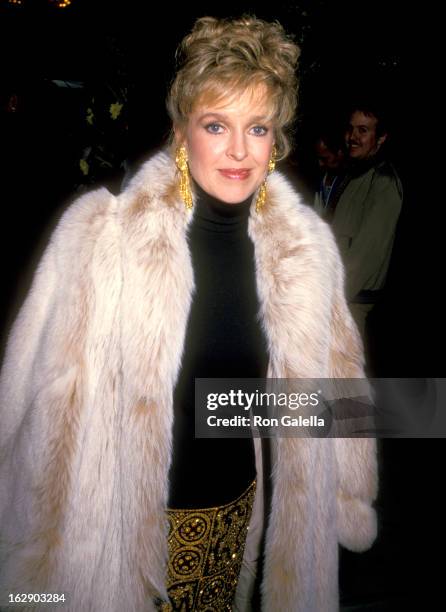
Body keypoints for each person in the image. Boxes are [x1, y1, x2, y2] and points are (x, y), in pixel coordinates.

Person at [0, 16, 377, 612]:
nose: (237, 150)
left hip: (236, 522)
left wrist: (349, 489)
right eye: (215, 125)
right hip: (119, 540)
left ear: (275, 140)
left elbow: (333, 396)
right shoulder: (102, 240)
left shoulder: (306, 254)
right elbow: (32, 405)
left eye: (257, 128)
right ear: (182, 132)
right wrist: (32, 570)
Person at [328, 102, 403, 339]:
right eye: (350, 129)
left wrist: (324, 303)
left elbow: (364, 259)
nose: (352, 137)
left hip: (350, 307)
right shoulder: (354, 175)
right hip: (336, 302)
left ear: (380, 138)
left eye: (363, 130)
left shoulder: (383, 183)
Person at [313, 125, 348, 221]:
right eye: (318, 158)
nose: (320, 164)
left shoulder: (348, 182)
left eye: (325, 158)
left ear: (340, 153)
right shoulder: (320, 179)